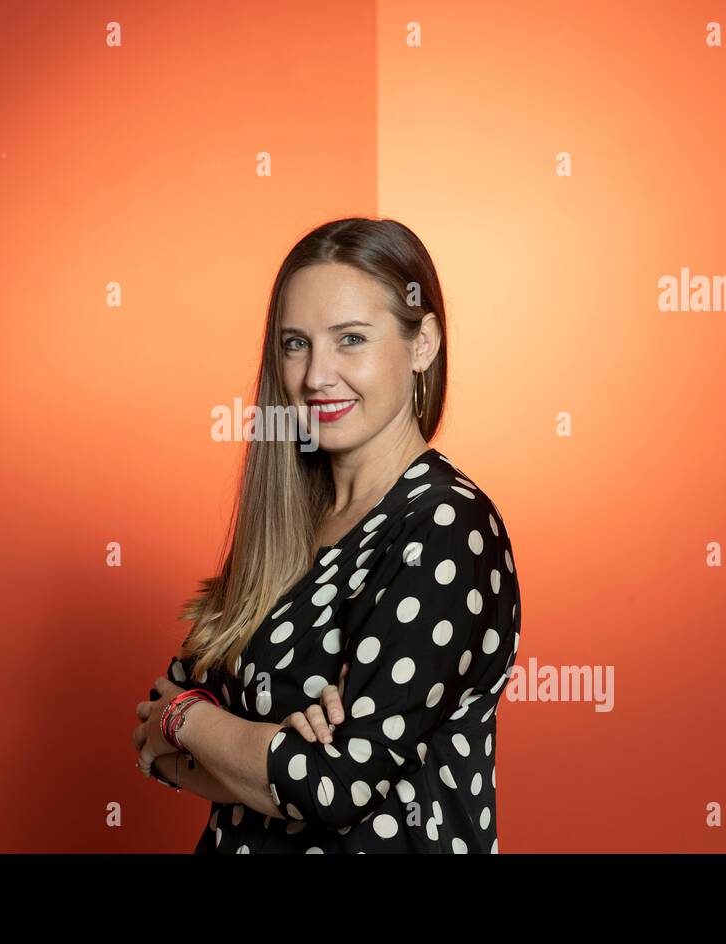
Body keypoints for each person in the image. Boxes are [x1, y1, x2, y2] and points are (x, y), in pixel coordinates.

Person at [131, 217, 521, 852]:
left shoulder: (446, 525)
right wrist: (261, 745)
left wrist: (195, 723)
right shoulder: (287, 522)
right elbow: (154, 727)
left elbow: (334, 787)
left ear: (422, 343)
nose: (316, 376)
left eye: (351, 340)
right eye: (295, 344)